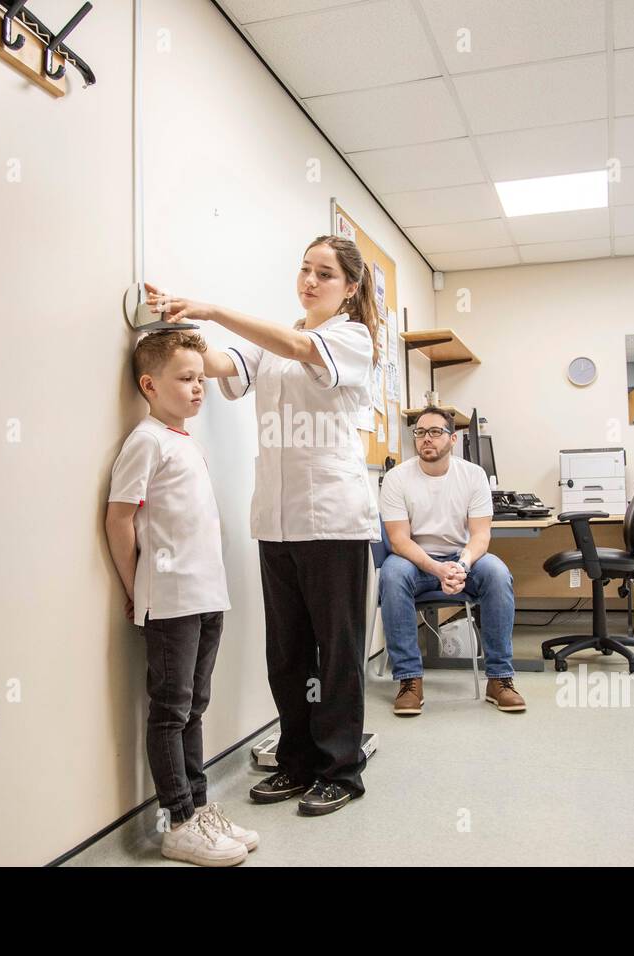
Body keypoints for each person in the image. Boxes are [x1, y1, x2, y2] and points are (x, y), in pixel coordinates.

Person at [144, 234, 379, 816]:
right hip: (276, 520)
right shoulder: (276, 343)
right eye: (304, 269)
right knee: (288, 653)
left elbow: (301, 348)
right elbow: (224, 363)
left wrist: (215, 309)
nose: (309, 280)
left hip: (334, 521)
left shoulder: (350, 338)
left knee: (339, 650)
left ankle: (340, 770)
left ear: (349, 288)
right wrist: (172, 331)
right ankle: (297, 761)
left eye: (324, 273)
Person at [104, 329, 259, 865]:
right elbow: (119, 518)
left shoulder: (183, 441)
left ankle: (198, 807)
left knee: (195, 708)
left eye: (201, 379)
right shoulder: (145, 440)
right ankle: (177, 821)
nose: (200, 388)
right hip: (169, 600)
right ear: (149, 384)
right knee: (170, 712)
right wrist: (134, 589)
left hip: (206, 595)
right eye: (186, 379)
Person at [377, 406, 526, 716]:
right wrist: (436, 568)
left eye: (435, 432)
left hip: (462, 559)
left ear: (452, 438)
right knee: (392, 575)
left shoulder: (473, 476)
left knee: (498, 573)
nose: (426, 439)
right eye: (420, 432)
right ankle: (409, 680)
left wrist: (463, 564)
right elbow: (399, 540)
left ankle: (499, 679)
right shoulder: (396, 478)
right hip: (415, 561)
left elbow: (481, 536)